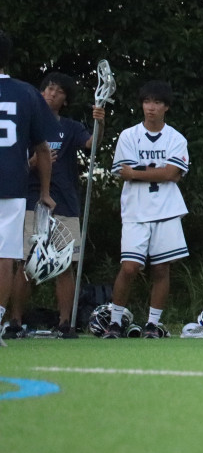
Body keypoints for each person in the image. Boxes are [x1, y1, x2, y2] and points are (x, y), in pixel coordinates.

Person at [4, 73, 105, 339]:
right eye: (48, 89)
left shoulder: (70, 127)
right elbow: (14, 162)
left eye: (59, 91)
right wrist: (33, 163)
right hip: (31, 200)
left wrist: (99, 123)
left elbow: (91, 144)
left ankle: (65, 322)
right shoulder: (25, 124)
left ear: (66, 100)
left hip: (64, 202)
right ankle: (14, 321)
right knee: (26, 262)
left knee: (64, 264)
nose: (51, 94)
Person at [105, 80, 190, 338]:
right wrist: (159, 173)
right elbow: (124, 172)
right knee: (129, 267)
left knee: (161, 268)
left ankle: (152, 324)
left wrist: (138, 172)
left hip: (166, 210)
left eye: (157, 102)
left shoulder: (176, 138)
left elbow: (172, 172)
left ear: (166, 107)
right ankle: (115, 322)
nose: (151, 107)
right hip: (135, 210)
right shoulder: (128, 135)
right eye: (146, 102)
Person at [0, 30, 57, 346]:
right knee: (5, 256)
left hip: (11, 183)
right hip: (11, 181)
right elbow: (43, 148)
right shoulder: (26, 93)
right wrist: (45, 192)